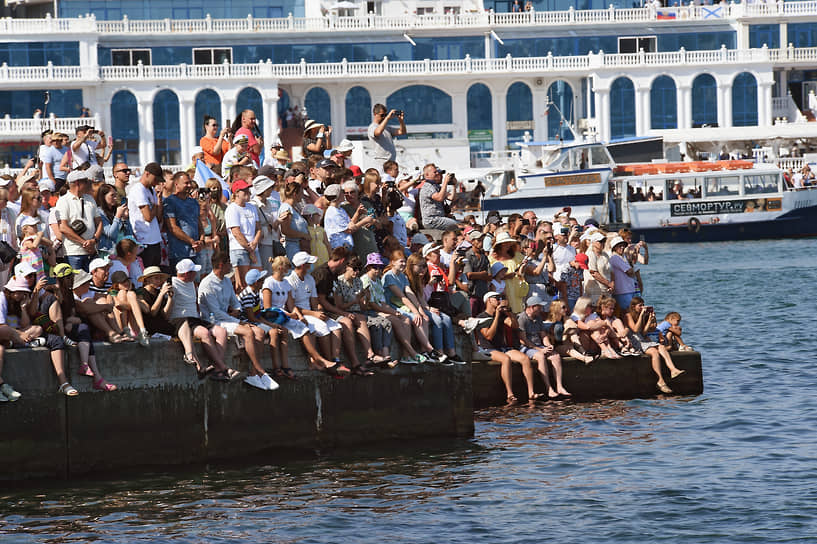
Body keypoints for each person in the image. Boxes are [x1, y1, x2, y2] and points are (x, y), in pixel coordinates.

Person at [198, 252, 277, 391]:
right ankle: (260, 369)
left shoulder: (227, 281)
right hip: (213, 321)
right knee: (248, 331)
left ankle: (253, 374)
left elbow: (236, 304)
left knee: (259, 331)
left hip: (228, 319)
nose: (232, 266)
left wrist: (236, 311)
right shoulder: (207, 284)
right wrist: (238, 320)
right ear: (221, 265)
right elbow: (215, 313)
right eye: (229, 262)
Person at [262, 255, 342, 375]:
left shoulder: (285, 283)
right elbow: (267, 308)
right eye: (286, 267)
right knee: (300, 329)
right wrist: (289, 315)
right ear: (280, 268)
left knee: (305, 328)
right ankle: (320, 359)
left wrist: (299, 316)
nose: (289, 269)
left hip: (284, 314)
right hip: (273, 315)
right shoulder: (269, 282)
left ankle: (316, 360)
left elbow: (291, 304)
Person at [0, 277, 77, 396]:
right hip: (6, 334)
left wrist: (23, 308)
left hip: (16, 336)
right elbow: (3, 327)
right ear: (10, 291)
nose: (21, 295)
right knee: (7, 332)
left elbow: (26, 325)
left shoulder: (19, 303)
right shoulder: (2, 298)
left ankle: (17, 343)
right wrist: (19, 334)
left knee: (38, 329)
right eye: (18, 292)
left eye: (23, 292)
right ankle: (23, 343)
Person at [167, 258, 235, 381]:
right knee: (204, 333)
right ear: (187, 273)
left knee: (221, 332)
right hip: (182, 320)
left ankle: (217, 368)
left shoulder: (193, 284)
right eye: (193, 272)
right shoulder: (171, 283)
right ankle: (224, 368)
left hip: (196, 319)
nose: (196, 274)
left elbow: (196, 305)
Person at [312, 247, 376, 375]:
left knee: (359, 318)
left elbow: (335, 299)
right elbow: (322, 301)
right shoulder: (323, 273)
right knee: (346, 321)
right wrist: (343, 313)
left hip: (332, 308)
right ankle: (350, 362)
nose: (347, 267)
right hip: (322, 310)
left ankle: (368, 357)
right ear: (341, 261)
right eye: (347, 263)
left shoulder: (334, 273)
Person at [477, 291, 538, 403]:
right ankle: (509, 393)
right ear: (489, 300)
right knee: (506, 359)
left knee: (525, 359)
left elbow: (514, 325)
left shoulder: (502, 315)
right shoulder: (481, 317)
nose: (499, 300)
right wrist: (496, 316)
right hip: (488, 348)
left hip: (502, 347)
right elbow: (489, 336)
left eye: (500, 298)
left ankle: (531, 392)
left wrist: (509, 312)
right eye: (496, 298)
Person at [382, 249, 436, 363]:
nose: (403, 264)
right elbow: (402, 297)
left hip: (400, 304)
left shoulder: (402, 276)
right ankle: (427, 349)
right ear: (392, 262)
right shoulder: (388, 276)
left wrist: (420, 310)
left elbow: (409, 293)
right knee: (413, 318)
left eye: (404, 262)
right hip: (390, 305)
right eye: (400, 262)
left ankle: (425, 350)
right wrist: (415, 312)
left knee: (423, 318)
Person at [626, 297, 685, 394]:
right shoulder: (628, 315)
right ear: (633, 306)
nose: (642, 307)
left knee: (661, 347)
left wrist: (649, 320)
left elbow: (644, 333)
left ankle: (673, 369)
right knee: (654, 352)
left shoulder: (642, 315)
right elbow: (635, 330)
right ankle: (660, 380)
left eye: (643, 305)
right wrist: (641, 315)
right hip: (634, 340)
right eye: (640, 305)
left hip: (643, 339)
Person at [517, 296, 571, 400]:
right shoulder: (522, 318)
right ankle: (549, 388)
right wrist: (540, 349)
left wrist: (548, 345)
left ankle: (559, 386)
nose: (541, 309)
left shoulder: (538, 318)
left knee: (555, 356)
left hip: (538, 345)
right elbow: (523, 340)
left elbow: (543, 335)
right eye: (539, 306)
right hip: (526, 347)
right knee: (541, 356)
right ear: (532, 307)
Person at [56, 170, 102, 272]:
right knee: (76, 284)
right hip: (74, 252)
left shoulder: (90, 198)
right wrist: (84, 243)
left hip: (91, 251)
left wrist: (94, 240)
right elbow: (63, 227)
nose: (89, 184)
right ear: (77, 183)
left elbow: (99, 222)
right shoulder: (63, 201)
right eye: (85, 181)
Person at [224, 179, 261, 289]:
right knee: (243, 284)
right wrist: (251, 250)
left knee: (257, 280)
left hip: (253, 248)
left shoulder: (252, 207)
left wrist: (255, 242)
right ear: (236, 193)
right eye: (244, 190)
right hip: (239, 249)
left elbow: (258, 228)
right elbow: (236, 232)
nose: (248, 192)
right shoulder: (232, 209)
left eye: (248, 190)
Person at [163, 172, 202, 272]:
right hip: (179, 252)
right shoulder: (169, 202)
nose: (189, 186)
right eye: (186, 183)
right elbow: (172, 227)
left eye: (190, 183)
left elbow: (199, 224)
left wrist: (201, 240)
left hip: (195, 251)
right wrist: (191, 241)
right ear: (177, 184)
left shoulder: (194, 202)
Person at [127, 162, 164, 268]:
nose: (156, 182)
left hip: (154, 239)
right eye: (155, 179)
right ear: (147, 174)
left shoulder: (151, 190)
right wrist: (155, 205)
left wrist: (159, 199)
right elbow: (147, 217)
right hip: (144, 240)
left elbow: (158, 217)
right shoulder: (138, 190)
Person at [251, 175, 281, 274]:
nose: (272, 190)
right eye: (270, 188)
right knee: (265, 272)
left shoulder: (267, 203)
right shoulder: (254, 205)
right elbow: (254, 228)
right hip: (261, 244)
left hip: (269, 241)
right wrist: (267, 229)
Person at [278, 180, 310, 262]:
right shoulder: (286, 208)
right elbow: (285, 230)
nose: (302, 196)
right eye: (301, 193)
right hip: (293, 247)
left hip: (300, 246)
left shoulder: (294, 208)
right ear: (295, 194)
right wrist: (303, 235)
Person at [96, 184, 131, 258]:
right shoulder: (99, 213)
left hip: (120, 252)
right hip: (108, 254)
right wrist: (117, 216)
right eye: (112, 195)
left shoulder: (116, 211)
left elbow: (129, 234)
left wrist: (125, 219)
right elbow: (111, 234)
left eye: (116, 195)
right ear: (103, 196)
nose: (115, 198)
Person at [418, 164, 458, 230]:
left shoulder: (435, 186)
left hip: (438, 218)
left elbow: (452, 198)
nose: (438, 174)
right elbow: (440, 198)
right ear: (427, 175)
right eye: (435, 172)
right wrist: (445, 182)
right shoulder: (427, 186)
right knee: (456, 225)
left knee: (460, 224)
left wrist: (453, 185)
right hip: (432, 220)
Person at [608, 235, 637, 312]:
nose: (622, 248)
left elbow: (631, 271)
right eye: (619, 246)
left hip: (628, 290)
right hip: (623, 291)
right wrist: (631, 271)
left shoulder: (622, 257)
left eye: (623, 246)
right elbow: (630, 271)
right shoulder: (615, 258)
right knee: (628, 312)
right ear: (614, 247)